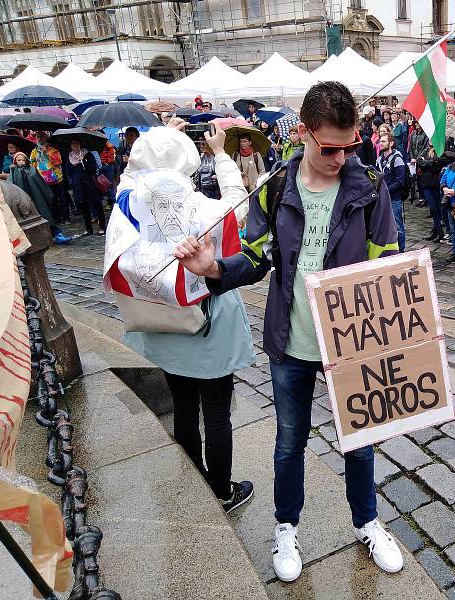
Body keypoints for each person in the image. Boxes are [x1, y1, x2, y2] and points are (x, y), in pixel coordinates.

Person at [172, 81, 403, 583]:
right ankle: (286, 527)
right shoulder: (278, 187)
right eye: (330, 147)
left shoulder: (371, 188)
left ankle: (367, 521)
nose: (341, 157)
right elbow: (256, 257)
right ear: (304, 134)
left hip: (351, 345)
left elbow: (386, 260)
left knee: (360, 441)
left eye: (350, 146)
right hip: (291, 341)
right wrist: (214, 267)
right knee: (289, 441)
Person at [116, 119, 256, 514]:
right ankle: (222, 491)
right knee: (216, 412)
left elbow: (129, 176)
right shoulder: (204, 209)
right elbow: (239, 201)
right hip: (206, 322)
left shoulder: (128, 202)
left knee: (183, 406)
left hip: (163, 320)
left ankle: (192, 478)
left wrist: (155, 139)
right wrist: (223, 154)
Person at [9, 152, 71, 244]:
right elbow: (11, 187)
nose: (21, 162)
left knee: (46, 217)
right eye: (19, 160)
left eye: (23, 160)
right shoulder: (13, 172)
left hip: (38, 198)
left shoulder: (32, 169)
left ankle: (58, 236)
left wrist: (48, 195)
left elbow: (41, 183)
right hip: (23, 201)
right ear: (15, 161)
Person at [65, 139, 105, 237]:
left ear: (80, 144)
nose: (75, 146)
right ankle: (88, 229)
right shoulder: (70, 157)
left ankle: (102, 227)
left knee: (97, 205)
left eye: (76, 144)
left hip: (90, 184)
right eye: (73, 144)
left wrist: (83, 161)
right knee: (84, 208)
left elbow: (92, 169)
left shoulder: (88, 155)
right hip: (78, 186)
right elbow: (69, 171)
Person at [376, 131, 407, 252]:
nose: (380, 143)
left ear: (391, 143)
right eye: (380, 141)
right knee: (384, 226)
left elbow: (400, 182)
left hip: (394, 199)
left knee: (398, 226)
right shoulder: (379, 160)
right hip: (382, 199)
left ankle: (401, 251)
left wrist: (385, 190)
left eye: (383, 141)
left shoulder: (397, 159)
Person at [30, 133, 69, 224]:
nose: (40, 139)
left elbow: (58, 162)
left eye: (42, 137)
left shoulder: (53, 150)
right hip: (44, 180)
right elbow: (33, 164)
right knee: (51, 200)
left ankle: (66, 217)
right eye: (38, 137)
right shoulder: (34, 152)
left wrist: (47, 153)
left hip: (57, 179)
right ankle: (56, 217)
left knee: (62, 198)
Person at [417, 145, 445, 242]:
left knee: (436, 207)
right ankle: (437, 229)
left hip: (435, 183)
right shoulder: (425, 149)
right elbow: (420, 162)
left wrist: (427, 163)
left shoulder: (440, 149)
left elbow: (437, 166)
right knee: (432, 208)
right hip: (425, 182)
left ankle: (438, 230)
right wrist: (431, 162)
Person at [233, 132, 265, 198]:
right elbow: (231, 170)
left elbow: (262, 172)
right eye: (241, 141)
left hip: (254, 190)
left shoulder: (256, 155)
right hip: (239, 189)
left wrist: (256, 184)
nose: (242, 143)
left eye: (245, 141)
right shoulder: (235, 155)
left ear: (250, 142)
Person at [99, 138, 117, 206]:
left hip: (107, 166)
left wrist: (106, 163)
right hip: (102, 166)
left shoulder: (108, 145)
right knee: (103, 185)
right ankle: (110, 202)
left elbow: (112, 155)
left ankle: (113, 202)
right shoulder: (96, 145)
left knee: (108, 185)